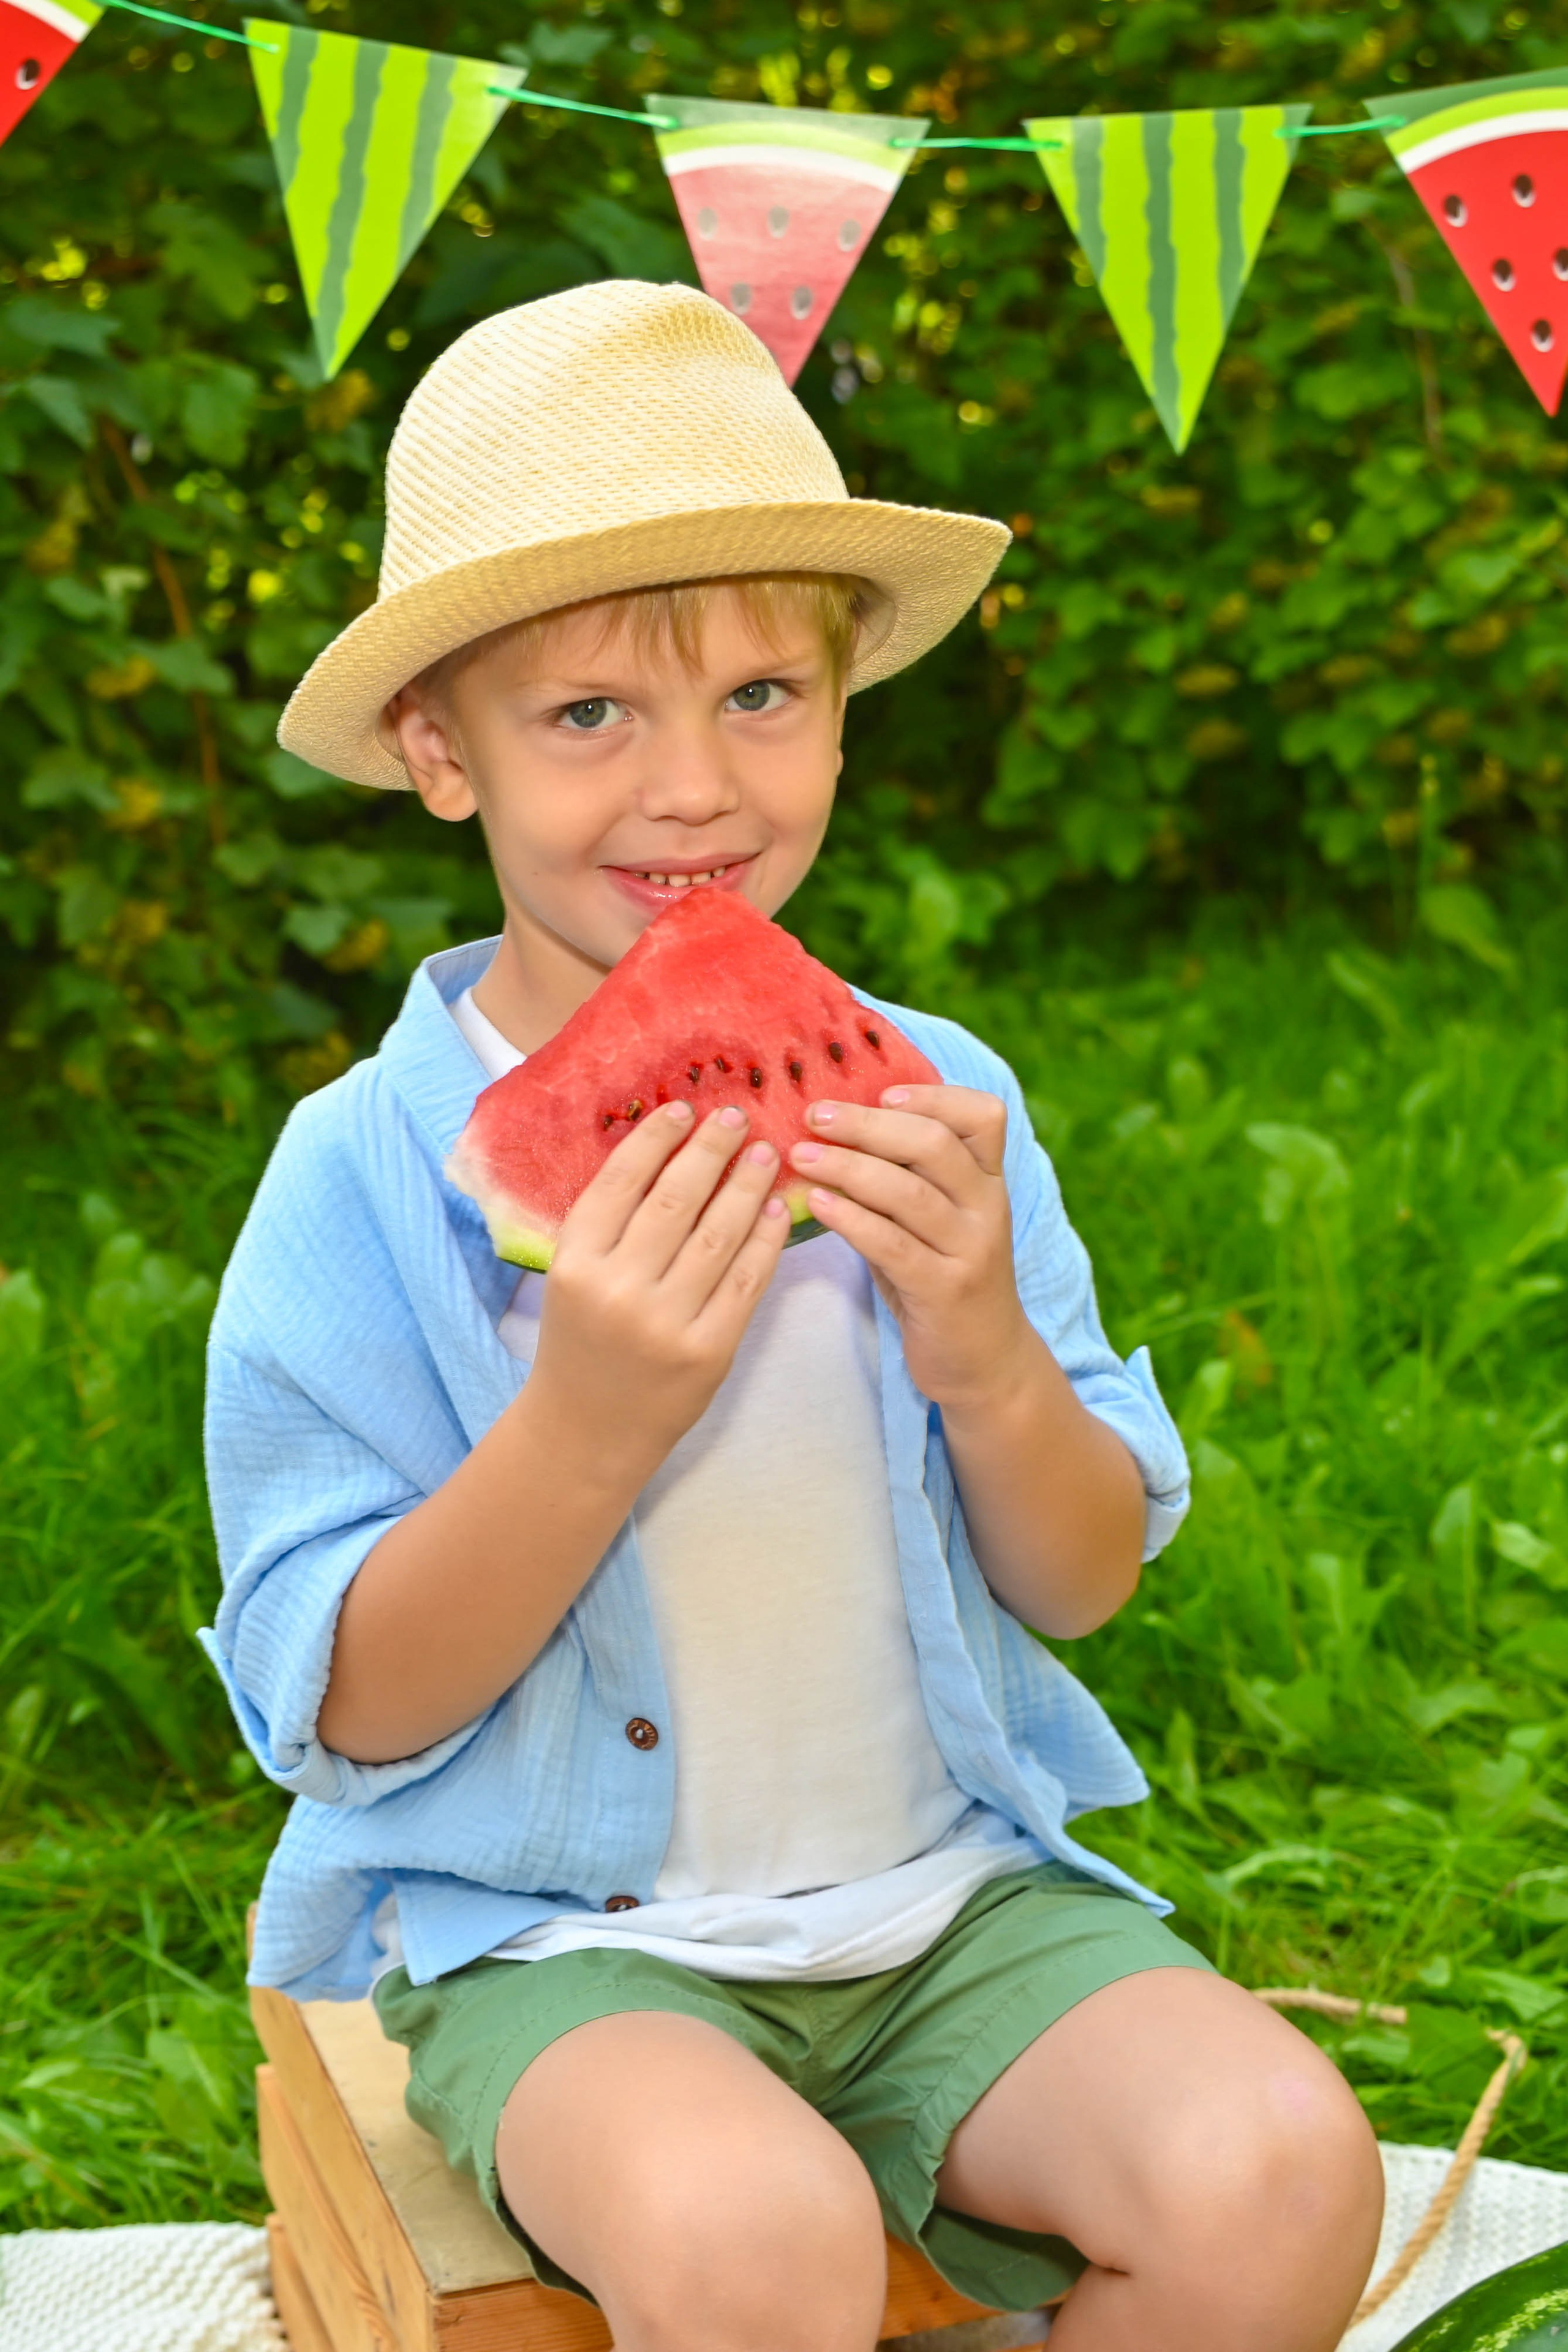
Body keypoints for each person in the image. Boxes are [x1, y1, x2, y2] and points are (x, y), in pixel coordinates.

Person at [203, 280, 1381, 2352]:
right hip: (566, 1953)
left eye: (764, 694)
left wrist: (988, 1356)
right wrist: (585, 1425)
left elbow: (1088, 1581)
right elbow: (351, 1708)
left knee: (1283, 2168)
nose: (695, 789)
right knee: (763, 2239)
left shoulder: (940, 1096)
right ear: (433, 751)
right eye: (589, 716)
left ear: (845, 711)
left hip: (956, 1908)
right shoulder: (358, 1181)